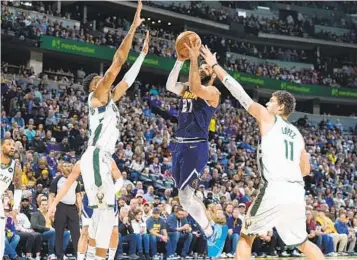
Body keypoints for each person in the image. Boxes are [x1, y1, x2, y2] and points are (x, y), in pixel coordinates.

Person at [200, 44, 325, 260]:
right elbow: (305, 169)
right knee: (303, 243)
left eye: (272, 101)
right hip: (296, 193)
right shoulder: (297, 134)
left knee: (245, 237)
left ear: (281, 108)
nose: (267, 103)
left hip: (275, 189)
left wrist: (215, 65)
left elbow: (239, 93)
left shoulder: (269, 118)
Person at [72, 1, 148, 258]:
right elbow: (118, 62)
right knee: (104, 215)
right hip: (95, 155)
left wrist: (143, 56)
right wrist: (132, 30)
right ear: (94, 88)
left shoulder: (109, 99)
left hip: (102, 158)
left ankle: (95, 255)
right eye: (98, 80)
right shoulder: (96, 96)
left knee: (104, 215)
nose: (103, 80)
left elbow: (127, 80)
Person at [165, 38, 226, 257]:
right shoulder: (188, 89)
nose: (201, 68)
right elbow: (170, 85)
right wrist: (180, 61)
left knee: (187, 197)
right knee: (184, 199)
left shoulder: (212, 93)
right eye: (199, 66)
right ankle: (212, 230)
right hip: (180, 146)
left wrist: (192, 58)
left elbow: (197, 86)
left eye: (204, 67)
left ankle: (211, 232)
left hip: (196, 147)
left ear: (211, 75)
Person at [49, 161, 81, 260]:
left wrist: (80, 208)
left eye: (69, 165)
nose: (67, 167)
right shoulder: (57, 179)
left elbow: (78, 195)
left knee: (76, 233)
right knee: (59, 232)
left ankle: (78, 254)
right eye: (65, 166)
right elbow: (51, 195)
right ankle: (59, 255)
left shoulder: (76, 180)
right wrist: (51, 209)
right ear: (61, 168)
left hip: (72, 207)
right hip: (60, 207)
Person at [0, 138, 22, 259]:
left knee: (0, 239)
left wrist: (15, 208)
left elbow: (18, 188)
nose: (12, 147)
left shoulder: (15, 166)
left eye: (13, 145)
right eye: (8, 144)